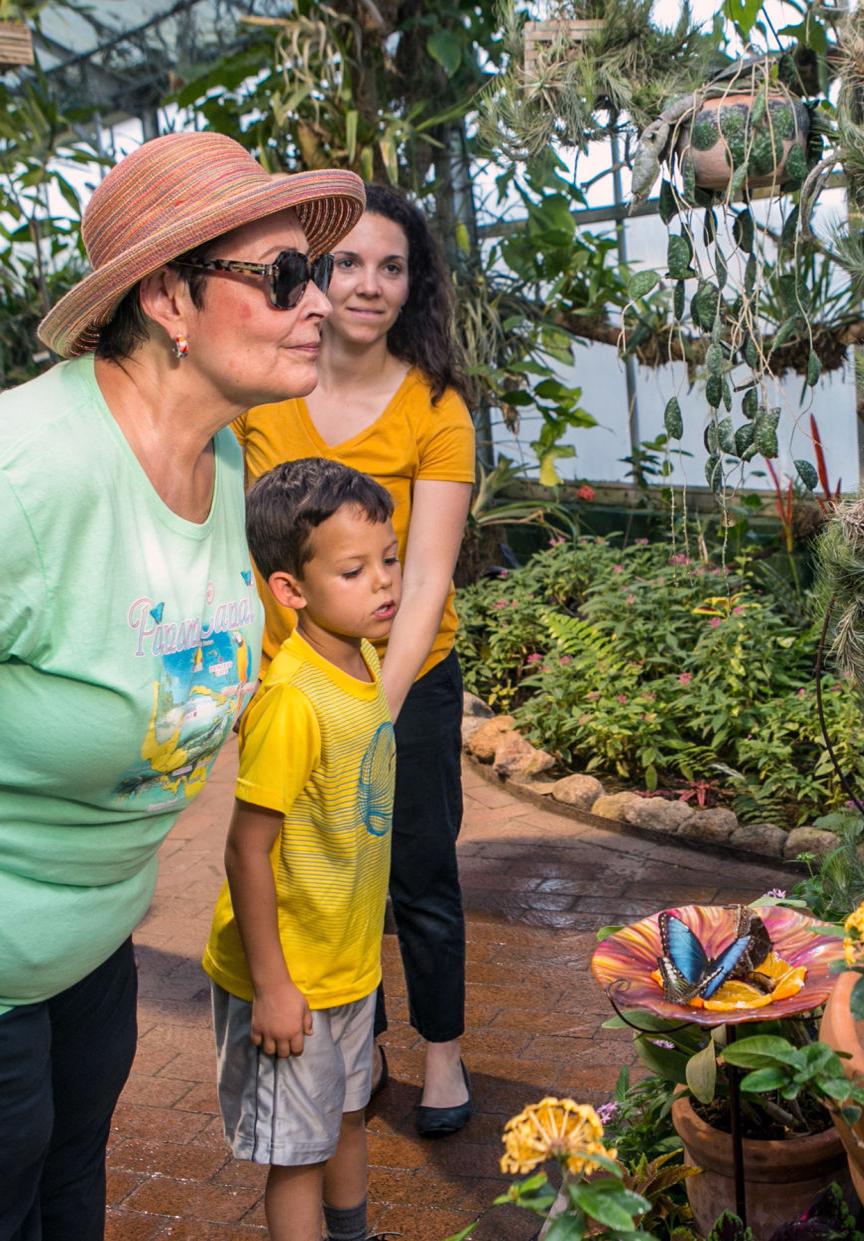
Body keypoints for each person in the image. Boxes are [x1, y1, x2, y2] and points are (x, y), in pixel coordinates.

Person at [0, 131, 362, 1239]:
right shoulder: (29, 475)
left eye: (319, 271)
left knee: (70, 1187)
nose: (321, 300)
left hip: (91, 948)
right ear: (168, 299)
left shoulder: (225, 459)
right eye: (285, 275)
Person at [237, 183, 476, 1136]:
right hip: (292, 687)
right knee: (321, 876)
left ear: (413, 286)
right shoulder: (263, 393)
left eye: (392, 267)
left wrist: (376, 704)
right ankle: (358, 1039)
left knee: (418, 870)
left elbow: (427, 577)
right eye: (347, 263)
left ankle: (443, 1052)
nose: (368, 284)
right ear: (314, 274)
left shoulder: (435, 407)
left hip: (405, 682)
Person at [202, 457, 401, 1241]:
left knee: (347, 1117)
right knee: (297, 1154)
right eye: (354, 570)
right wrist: (274, 986)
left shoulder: (362, 655)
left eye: (389, 558)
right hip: (289, 977)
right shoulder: (292, 701)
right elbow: (245, 851)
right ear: (290, 590)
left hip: (344, 964)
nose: (382, 581)